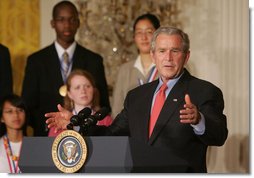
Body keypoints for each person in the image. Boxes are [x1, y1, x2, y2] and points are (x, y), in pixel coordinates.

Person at [45, 26, 228, 172]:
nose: (168, 58)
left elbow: (219, 135)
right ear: (153, 56)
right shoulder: (137, 96)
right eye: (162, 51)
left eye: (175, 51)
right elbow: (111, 135)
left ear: (186, 56)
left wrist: (199, 120)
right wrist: (76, 125)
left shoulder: (204, 91)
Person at [22, 1, 110, 136]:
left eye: (72, 20)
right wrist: (49, 126)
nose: (67, 25)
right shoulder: (36, 61)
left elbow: (103, 103)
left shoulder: (94, 60)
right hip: (47, 135)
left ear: (78, 23)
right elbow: (28, 104)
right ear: (52, 23)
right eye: (61, 20)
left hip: (88, 136)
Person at [112, 13, 160, 118]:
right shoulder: (125, 70)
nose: (144, 37)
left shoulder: (166, 67)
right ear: (134, 37)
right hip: (130, 130)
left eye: (149, 32)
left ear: (157, 35)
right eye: (139, 32)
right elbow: (117, 110)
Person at [48, 69, 112, 136]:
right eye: (77, 87)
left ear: (93, 90)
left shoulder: (106, 120)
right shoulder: (60, 122)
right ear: (69, 93)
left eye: (87, 86)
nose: (83, 91)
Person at [0, 94, 28, 173]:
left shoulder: (35, 147)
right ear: (2, 118)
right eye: (9, 111)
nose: (16, 115)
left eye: (20, 110)